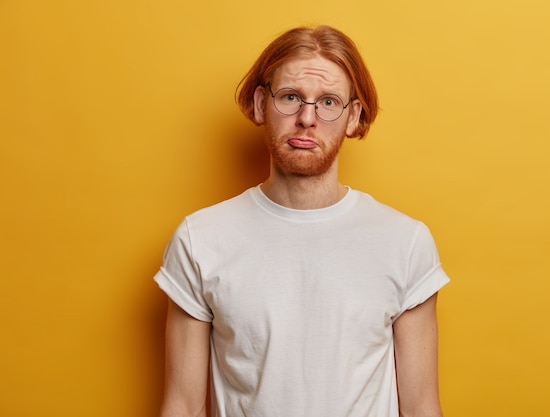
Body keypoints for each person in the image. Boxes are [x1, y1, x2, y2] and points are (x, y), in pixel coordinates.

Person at [154, 25, 450, 417]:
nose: (307, 118)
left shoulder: (405, 242)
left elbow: (420, 407)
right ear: (261, 105)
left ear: (353, 117)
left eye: (328, 102)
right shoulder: (200, 240)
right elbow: (183, 406)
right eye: (291, 97)